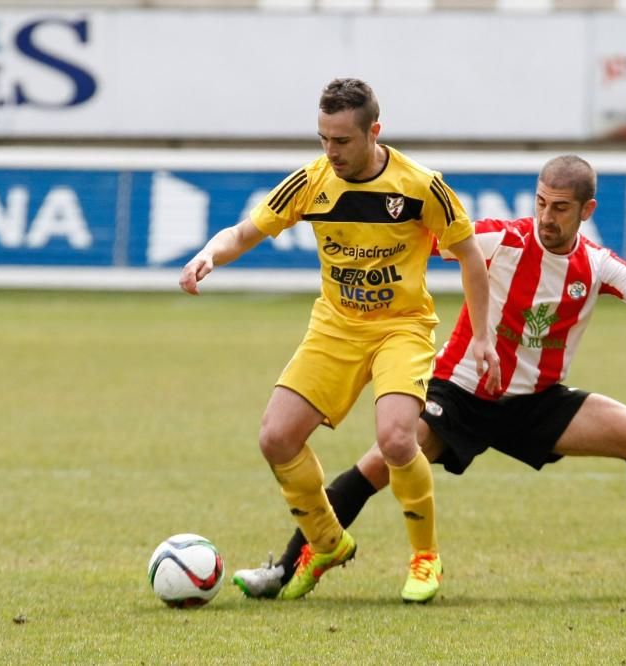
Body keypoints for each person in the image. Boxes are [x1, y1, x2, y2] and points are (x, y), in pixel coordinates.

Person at [232, 154, 626, 602]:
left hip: (537, 404)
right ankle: (283, 570)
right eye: (542, 203)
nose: (548, 217)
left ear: (587, 209)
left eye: (561, 208)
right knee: (381, 460)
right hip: (462, 394)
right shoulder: (500, 238)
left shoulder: (597, 265)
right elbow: (423, 239)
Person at [179, 78, 499, 604]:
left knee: (398, 439)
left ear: (374, 131)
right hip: (336, 326)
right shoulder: (310, 182)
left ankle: (425, 558)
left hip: (402, 327)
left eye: (342, 141)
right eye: (323, 138)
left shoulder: (421, 186)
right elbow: (242, 233)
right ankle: (326, 543)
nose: (331, 151)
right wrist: (209, 255)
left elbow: (468, 257)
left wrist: (482, 335)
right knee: (276, 438)